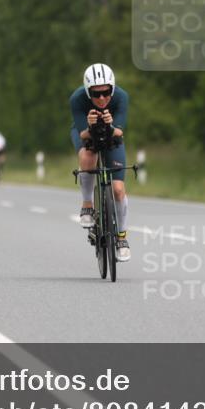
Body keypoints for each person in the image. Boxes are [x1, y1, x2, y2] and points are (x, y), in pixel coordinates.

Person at [70, 63, 131, 262]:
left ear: (112, 89)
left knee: (118, 189)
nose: (102, 98)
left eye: (106, 92)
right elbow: (83, 134)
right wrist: (90, 124)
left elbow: (120, 132)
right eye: (96, 94)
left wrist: (110, 125)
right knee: (88, 157)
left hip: (112, 133)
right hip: (87, 132)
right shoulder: (77, 99)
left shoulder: (121, 97)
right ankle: (87, 204)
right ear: (88, 93)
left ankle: (121, 237)